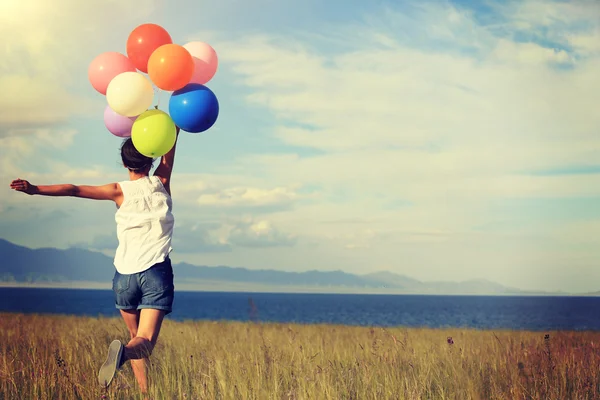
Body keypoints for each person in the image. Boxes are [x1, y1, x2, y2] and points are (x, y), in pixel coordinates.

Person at [9, 128, 180, 396]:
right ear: (151, 159)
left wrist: (35, 189)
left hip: (124, 278)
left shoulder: (117, 191)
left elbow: (74, 189)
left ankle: (145, 392)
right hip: (155, 272)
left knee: (136, 338)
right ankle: (123, 355)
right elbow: (169, 155)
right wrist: (174, 128)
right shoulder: (161, 181)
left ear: (124, 164)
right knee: (143, 343)